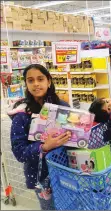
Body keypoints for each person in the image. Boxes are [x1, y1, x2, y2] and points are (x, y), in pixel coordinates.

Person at [8, 64, 71, 210]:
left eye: (40, 79)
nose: (36, 84)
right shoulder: (22, 115)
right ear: (26, 84)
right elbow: (19, 153)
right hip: (41, 176)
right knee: (50, 208)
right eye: (30, 80)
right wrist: (44, 146)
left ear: (48, 81)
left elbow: (73, 137)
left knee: (69, 205)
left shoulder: (62, 106)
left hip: (66, 169)